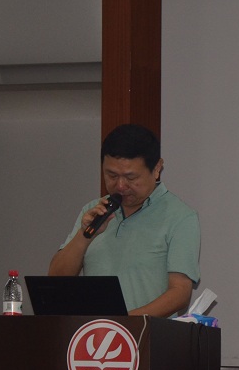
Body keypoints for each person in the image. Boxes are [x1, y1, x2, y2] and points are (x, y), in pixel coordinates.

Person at [48, 124, 200, 317]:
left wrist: (124, 323)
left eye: (130, 177)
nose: (120, 186)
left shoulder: (180, 216)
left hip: (144, 333)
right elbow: (56, 281)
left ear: (156, 168)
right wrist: (84, 236)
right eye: (111, 175)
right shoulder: (92, 211)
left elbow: (180, 293)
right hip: (92, 333)